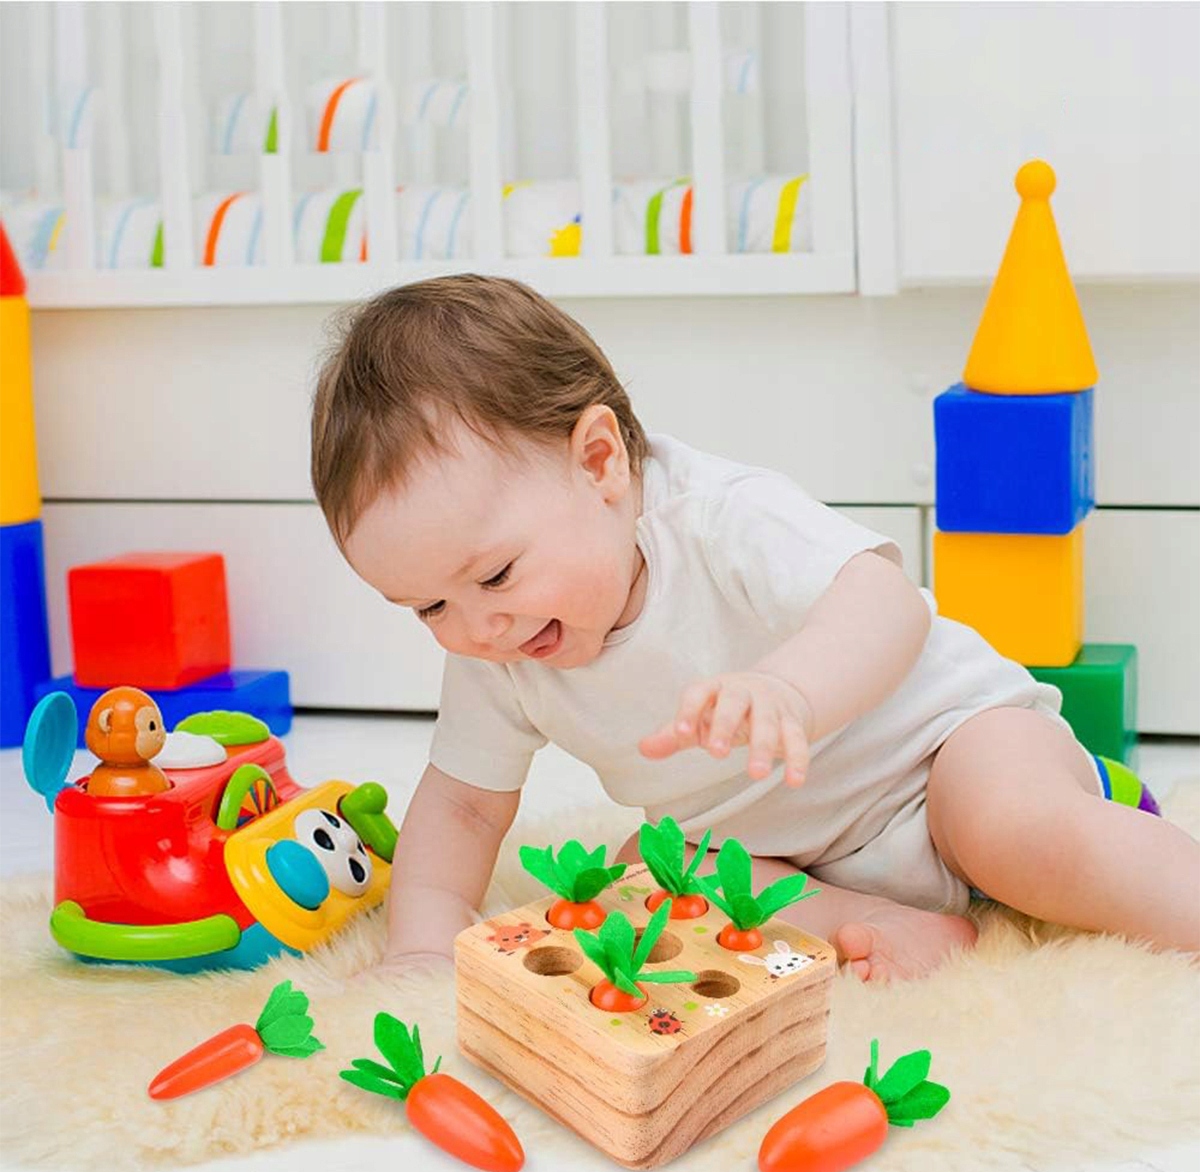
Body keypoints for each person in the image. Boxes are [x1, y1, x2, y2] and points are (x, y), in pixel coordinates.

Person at [310, 275, 1199, 982]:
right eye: (427, 608)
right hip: (785, 848)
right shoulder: (496, 641)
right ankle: (883, 922)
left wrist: (791, 690)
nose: (477, 627)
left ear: (599, 462)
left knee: (1014, 832)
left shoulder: (719, 519)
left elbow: (884, 601)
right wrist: (422, 946)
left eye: (495, 575)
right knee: (637, 881)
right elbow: (463, 805)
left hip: (940, 756)